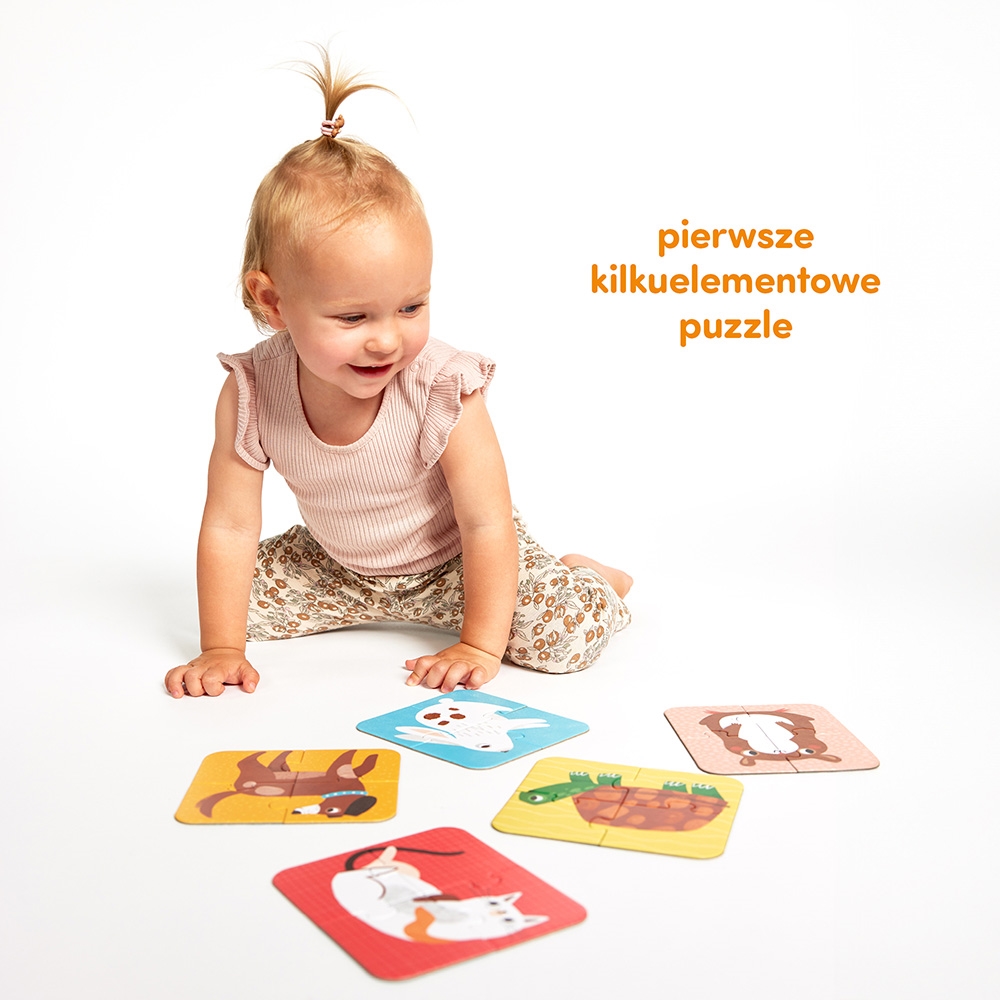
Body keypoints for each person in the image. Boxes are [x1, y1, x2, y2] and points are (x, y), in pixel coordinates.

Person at [164, 50, 631, 699]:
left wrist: (478, 644)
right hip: (337, 564)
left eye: (411, 307)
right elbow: (231, 526)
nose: (388, 339)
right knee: (244, 608)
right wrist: (222, 647)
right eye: (353, 316)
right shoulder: (252, 391)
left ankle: (593, 580)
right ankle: (335, 605)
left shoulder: (443, 386)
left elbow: (487, 523)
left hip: (456, 564)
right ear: (273, 302)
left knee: (561, 641)